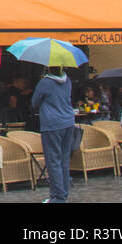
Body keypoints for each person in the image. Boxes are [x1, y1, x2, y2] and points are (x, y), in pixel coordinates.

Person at [31, 66, 75, 203]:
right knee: (64, 160)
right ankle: (63, 194)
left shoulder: (45, 82)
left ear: (48, 68)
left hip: (52, 124)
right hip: (68, 122)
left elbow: (34, 103)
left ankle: (58, 197)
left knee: (53, 161)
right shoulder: (67, 81)